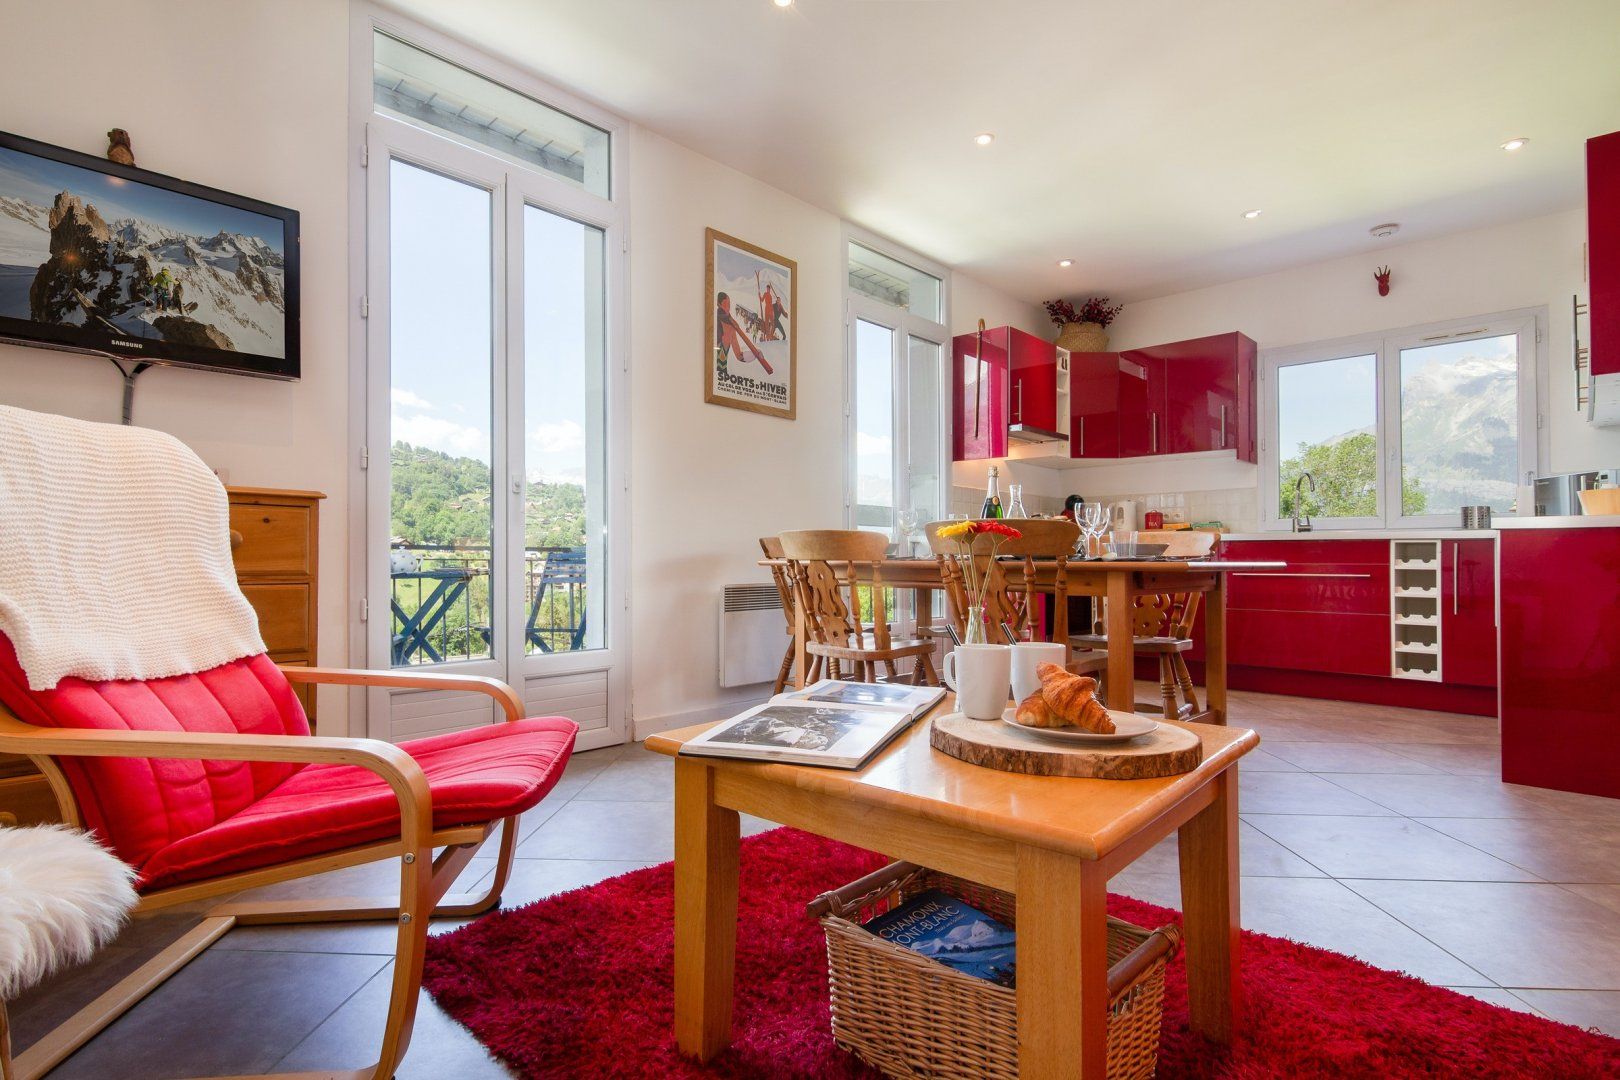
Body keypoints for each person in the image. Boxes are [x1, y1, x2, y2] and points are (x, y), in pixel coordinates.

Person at [715, 292, 774, 375]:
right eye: (726, 303)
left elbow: (739, 356)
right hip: (713, 361)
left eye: (729, 303)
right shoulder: (717, 317)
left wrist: (756, 354)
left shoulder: (732, 325)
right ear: (719, 304)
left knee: (721, 370)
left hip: (721, 370)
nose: (728, 306)